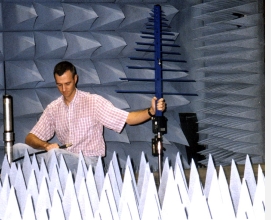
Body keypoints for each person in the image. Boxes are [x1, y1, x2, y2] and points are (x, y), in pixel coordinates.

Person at [13, 60, 167, 171]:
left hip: (90, 163)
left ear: (75, 79)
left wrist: (151, 111)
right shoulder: (53, 108)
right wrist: (46, 145)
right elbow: (30, 138)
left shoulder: (93, 102)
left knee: (55, 155)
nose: (64, 89)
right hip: (64, 157)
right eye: (59, 85)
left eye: (67, 83)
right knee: (18, 149)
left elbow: (128, 119)